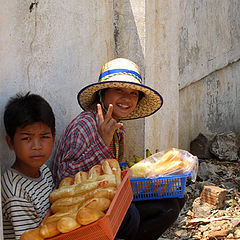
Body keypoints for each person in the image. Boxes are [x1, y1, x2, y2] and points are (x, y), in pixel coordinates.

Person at [52, 58, 185, 240]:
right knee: (133, 215)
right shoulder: (84, 126)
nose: (127, 98)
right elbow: (64, 180)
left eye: (133, 93)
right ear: (103, 93)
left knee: (173, 202)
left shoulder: (115, 125)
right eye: (118, 90)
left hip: (104, 197)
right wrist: (102, 142)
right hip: (80, 210)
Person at [1, 92, 56, 240]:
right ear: (10, 142)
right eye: (27, 138)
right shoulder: (15, 193)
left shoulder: (44, 170)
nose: (37, 146)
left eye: (44, 137)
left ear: (53, 137)